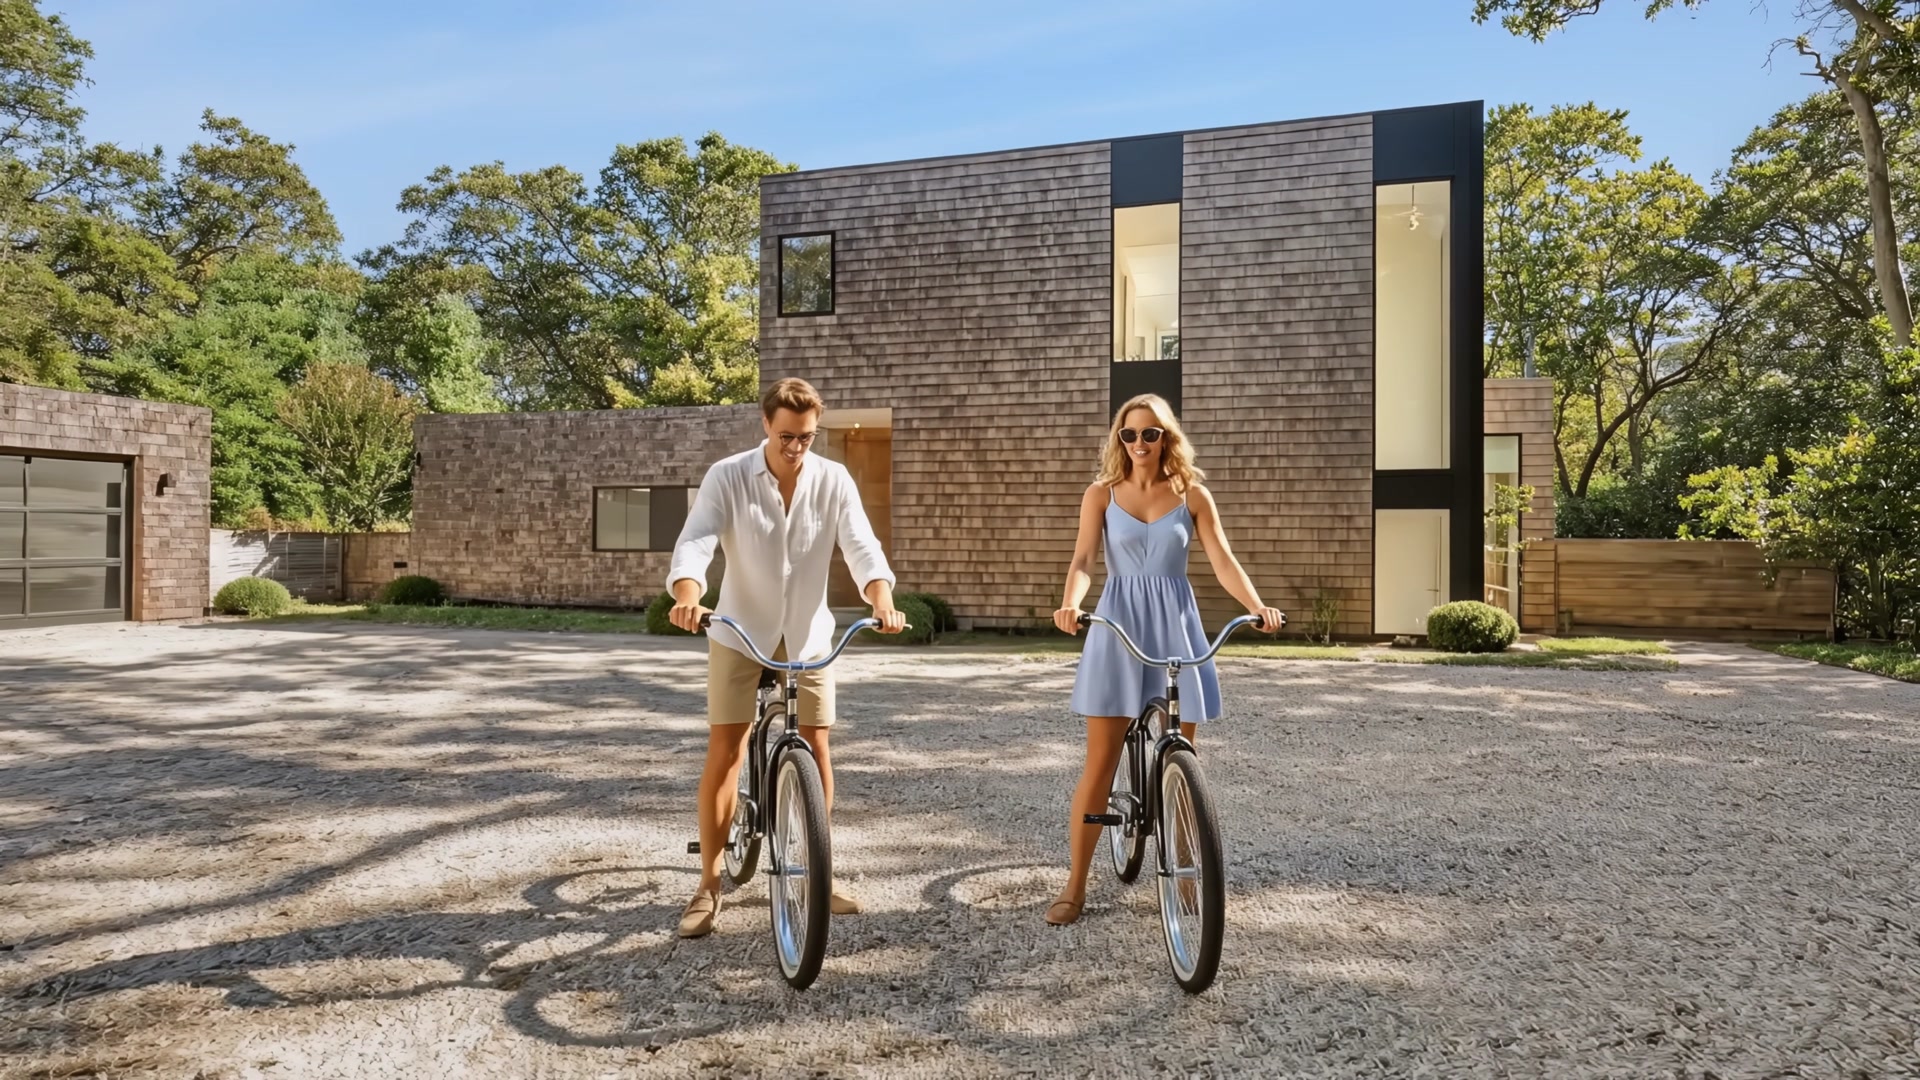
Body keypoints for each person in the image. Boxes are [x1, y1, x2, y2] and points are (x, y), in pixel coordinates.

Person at [665, 376, 906, 939]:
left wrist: (883, 599)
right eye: (788, 437)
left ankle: (818, 868)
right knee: (728, 747)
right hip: (738, 630)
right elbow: (696, 539)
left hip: (808, 635)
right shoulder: (728, 476)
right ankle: (709, 881)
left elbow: (861, 545)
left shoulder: (833, 479)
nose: (798, 448)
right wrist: (686, 593)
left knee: (817, 743)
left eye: (808, 438)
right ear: (766, 427)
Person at [1047, 393, 1283, 926]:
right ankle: (1076, 884)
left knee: (1182, 759)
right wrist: (1071, 602)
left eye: (1149, 434)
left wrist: (1256, 606)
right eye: (1129, 435)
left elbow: (1222, 559)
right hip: (1118, 622)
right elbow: (1083, 558)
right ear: (1119, 440)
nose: (1138, 445)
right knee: (1101, 762)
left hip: (1177, 624)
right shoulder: (1101, 494)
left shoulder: (1192, 495)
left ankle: (1184, 873)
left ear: (1166, 437)